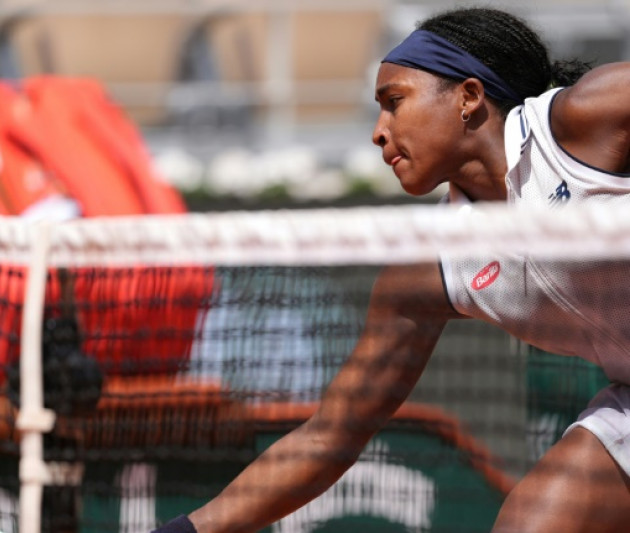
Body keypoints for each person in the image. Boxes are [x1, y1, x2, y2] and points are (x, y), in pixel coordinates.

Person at [154, 7, 630, 533]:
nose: (378, 133)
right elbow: (329, 436)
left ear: (468, 99)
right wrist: (186, 530)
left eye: (394, 103)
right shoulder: (427, 273)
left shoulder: (590, 117)